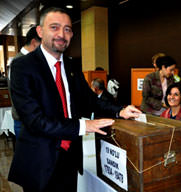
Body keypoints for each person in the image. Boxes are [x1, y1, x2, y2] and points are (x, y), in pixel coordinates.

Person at [8, 7, 141, 192]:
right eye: (54, 27)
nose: (62, 34)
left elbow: (91, 99)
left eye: (68, 29)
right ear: (40, 31)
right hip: (40, 159)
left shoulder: (72, 65)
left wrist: (119, 110)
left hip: (70, 156)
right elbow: (34, 120)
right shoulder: (22, 67)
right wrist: (83, 126)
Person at [8, 26, 41, 139]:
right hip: (24, 122)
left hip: (33, 120)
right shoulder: (19, 62)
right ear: (34, 42)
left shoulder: (32, 60)